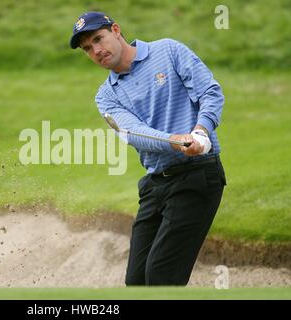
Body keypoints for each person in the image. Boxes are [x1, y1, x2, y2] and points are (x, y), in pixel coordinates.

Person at [70, 12, 227, 286]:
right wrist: (177, 141)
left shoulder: (167, 50)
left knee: (161, 278)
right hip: (155, 186)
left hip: (197, 176)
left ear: (116, 30)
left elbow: (209, 92)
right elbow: (133, 133)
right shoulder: (106, 96)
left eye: (98, 39)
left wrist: (201, 131)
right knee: (136, 283)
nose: (96, 50)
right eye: (87, 48)